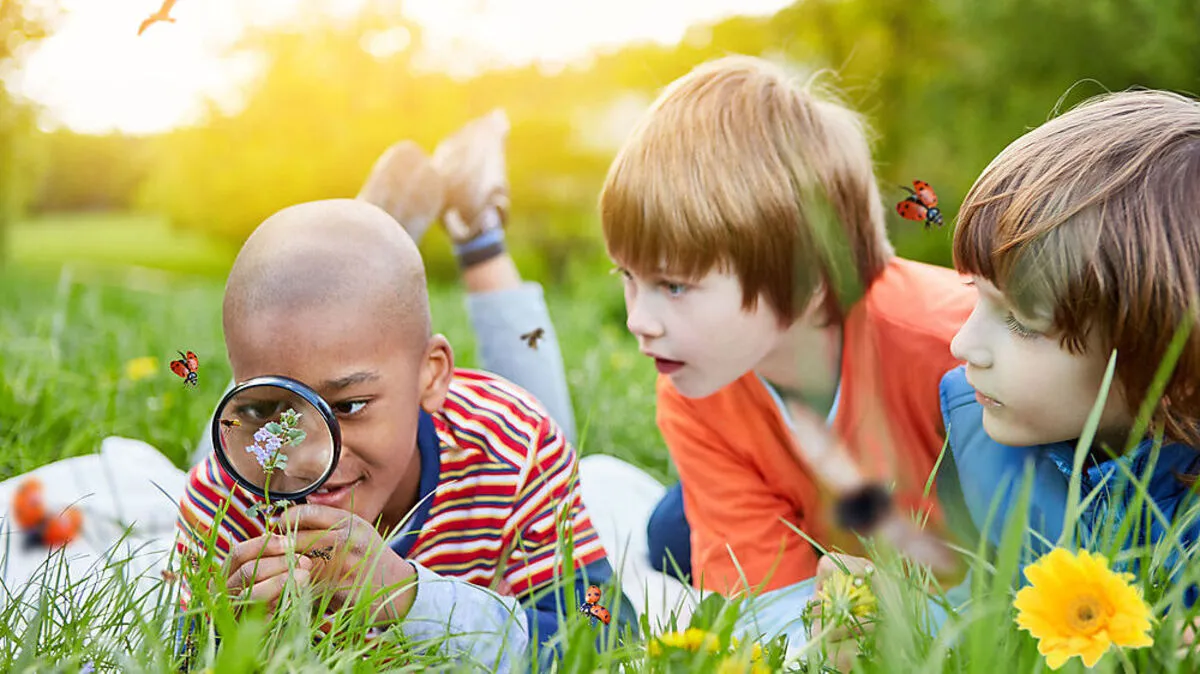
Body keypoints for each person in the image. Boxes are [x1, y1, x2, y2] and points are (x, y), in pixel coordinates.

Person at [174, 126, 635, 671]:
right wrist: (237, 634)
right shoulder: (227, 491)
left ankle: (470, 230)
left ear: (432, 376)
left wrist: (406, 596)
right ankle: (348, 248)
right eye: (270, 408)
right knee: (258, 414)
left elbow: (605, 634)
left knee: (546, 418)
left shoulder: (516, 450)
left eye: (349, 407)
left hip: (483, 423)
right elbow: (182, 653)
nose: (309, 456)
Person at [790, 89, 1200, 669]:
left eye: (1022, 322)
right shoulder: (985, 442)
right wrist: (891, 612)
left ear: (1168, 358)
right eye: (975, 299)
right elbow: (990, 612)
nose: (963, 346)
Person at [599, 54, 976, 595]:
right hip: (813, 512)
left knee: (671, 529)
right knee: (669, 535)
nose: (639, 321)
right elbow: (771, 611)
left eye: (674, 285)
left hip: (919, 535)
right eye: (628, 276)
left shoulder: (961, 349)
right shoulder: (691, 385)